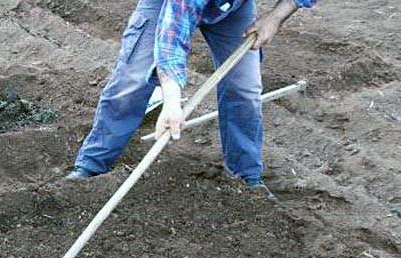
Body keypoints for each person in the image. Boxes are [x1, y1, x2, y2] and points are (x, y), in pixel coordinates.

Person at [65, 0, 317, 200]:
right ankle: (93, 164)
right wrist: (172, 103)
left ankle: (247, 175)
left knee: (244, 90)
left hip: (234, 9)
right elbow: (172, 41)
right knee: (132, 81)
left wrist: (274, 18)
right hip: (165, 5)